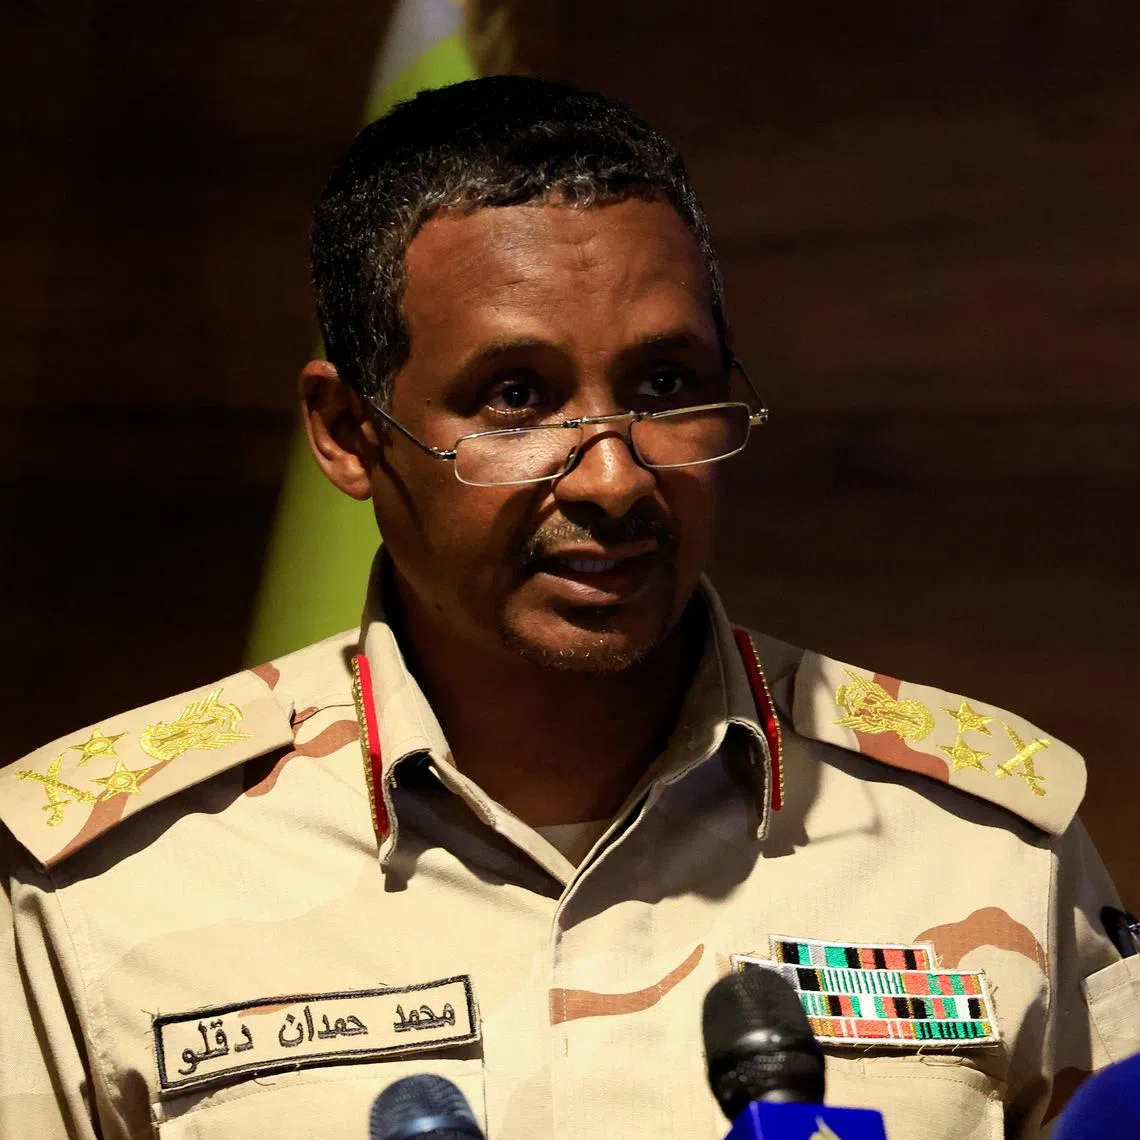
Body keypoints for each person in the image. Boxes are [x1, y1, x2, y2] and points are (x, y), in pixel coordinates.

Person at [1, 77, 1136, 1140]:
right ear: (350, 433)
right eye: (515, 398)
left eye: (665, 387)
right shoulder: (104, 881)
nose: (613, 478)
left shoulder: (982, 844)